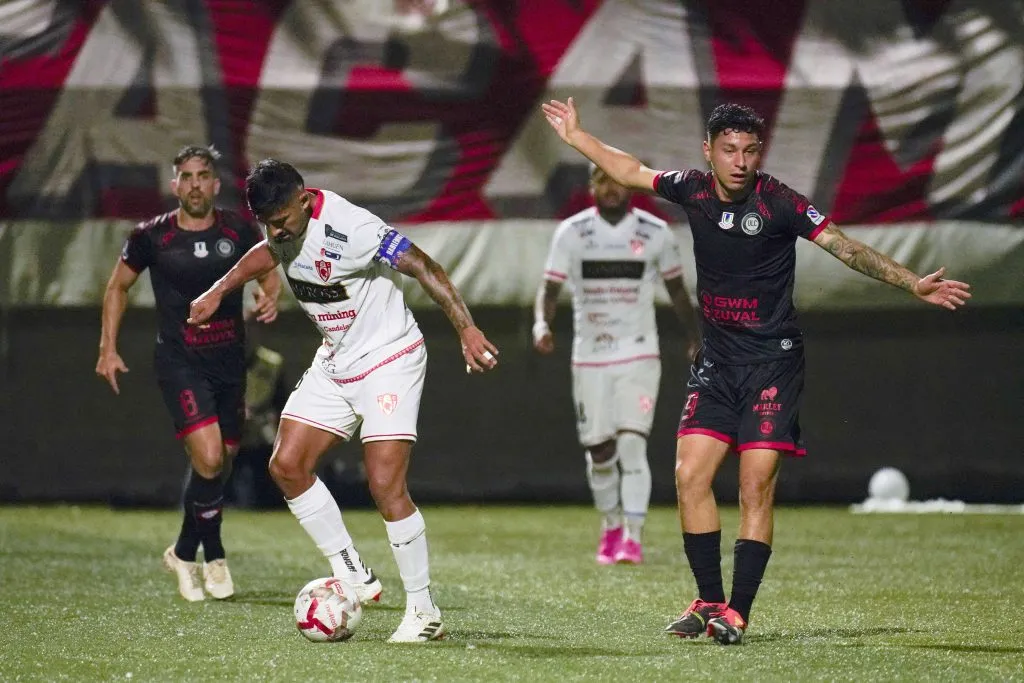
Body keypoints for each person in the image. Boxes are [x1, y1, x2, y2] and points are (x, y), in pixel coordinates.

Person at [542, 98, 971, 644]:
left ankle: (737, 612)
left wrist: (911, 282)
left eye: (749, 150)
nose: (740, 161)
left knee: (754, 485)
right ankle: (708, 600)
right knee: (689, 477)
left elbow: (844, 247)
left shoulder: (780, 202)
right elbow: (629, 170)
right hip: (717, 365)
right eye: (729, 150)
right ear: (709, 151)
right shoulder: (693, 189)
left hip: (773, 365)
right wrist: (577, 136)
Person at [187, 159, 499, 643]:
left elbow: (424, 265)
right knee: (286, 465)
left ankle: (424, 611)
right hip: (337, 360)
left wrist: (467, 328)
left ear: (304, 199)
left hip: (390, 358)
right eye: (267, 223)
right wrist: (219, 289)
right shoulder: (281, 226)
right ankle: (351, 569)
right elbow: (267, 253)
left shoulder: (353, 227)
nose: (276, 230)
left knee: (385, 485)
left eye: (282, 220)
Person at [96, 145, 281, 602]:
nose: (195, 184)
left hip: (230, 362)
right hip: (180, 363)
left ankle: (182, 552)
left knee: (218, 463)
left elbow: (268, 264)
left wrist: (269, 293)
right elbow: (118, 286)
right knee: (211, 457)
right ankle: (214, 555)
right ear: (175, 184)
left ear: (215, 184)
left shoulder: (238, 229)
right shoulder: (151, 236)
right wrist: (107, 348)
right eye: (187, 176)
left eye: (203, 176)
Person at [533, 164, 700, 565]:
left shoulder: (655, 232)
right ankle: (611, 525)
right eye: (602, 180)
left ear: (630, 186)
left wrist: (696, 337)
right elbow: (549, 288)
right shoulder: (572, 232)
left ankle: (633, 537)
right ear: (591, 186)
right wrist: (541, 324)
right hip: (590, 357)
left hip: (639, 354)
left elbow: (678, 291)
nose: (611, 188)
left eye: (617, 180)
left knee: (632, 442)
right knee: (600, 450)